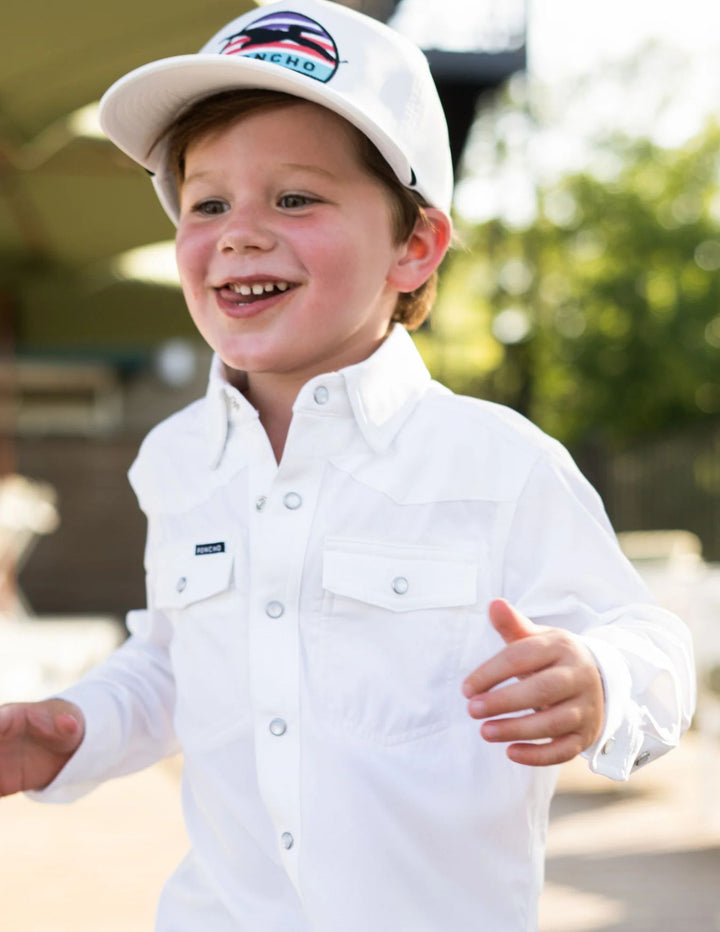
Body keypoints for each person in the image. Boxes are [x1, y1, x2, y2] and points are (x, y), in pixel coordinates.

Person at [0, 1, 695, 929]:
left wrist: (601, 678)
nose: (241, 231)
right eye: (207, 202)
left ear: (413, 246)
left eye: (294, 197)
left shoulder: (498, 462)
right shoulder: (176, 460)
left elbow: (654, 645)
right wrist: (75, 724)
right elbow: (177, 661)